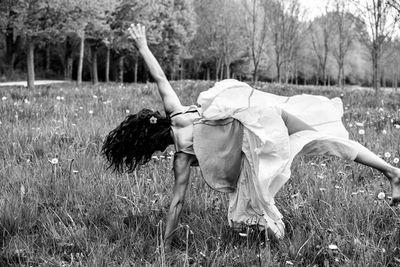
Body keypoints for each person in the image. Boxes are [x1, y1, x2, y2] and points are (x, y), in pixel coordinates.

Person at [102, 23, 400, 249]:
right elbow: (160, 77)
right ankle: (391, 172)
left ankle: (281, 242)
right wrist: (141, 45)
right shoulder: (179, 114)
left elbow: (176, 203)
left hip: (258, 143)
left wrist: (165, 247)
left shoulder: (181, 156)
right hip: (261, 118)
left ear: (151, 145)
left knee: (316, 151)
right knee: (324, 135)